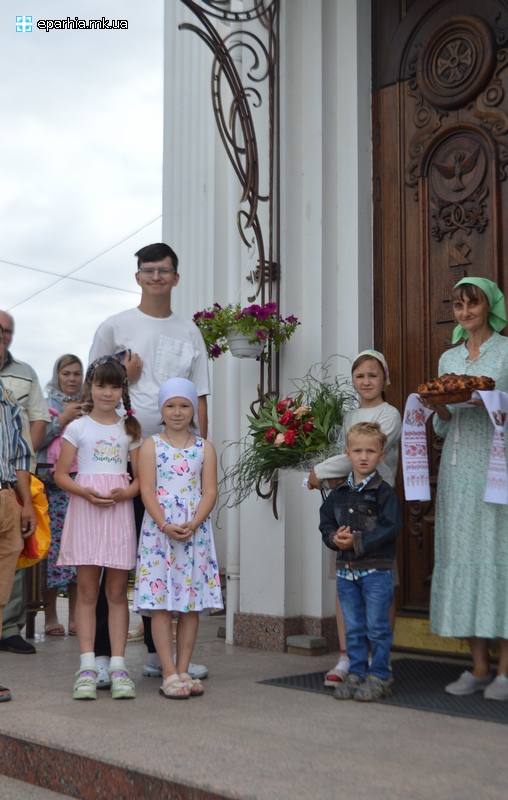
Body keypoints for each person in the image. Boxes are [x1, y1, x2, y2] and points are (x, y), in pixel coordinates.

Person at [88, 243, 211, 685]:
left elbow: (198, 397)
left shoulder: (189, 331)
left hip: (176, 462)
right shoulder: (115, 326)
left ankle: (165, 657)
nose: (156, 276)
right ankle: (102, 655)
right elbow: (94, 390)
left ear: (176, 278)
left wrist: (200, 457)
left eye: (164, 270)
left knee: (171, 556)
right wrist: (128, 380)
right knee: (117, 558)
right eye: (148, 270)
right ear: (137, 276)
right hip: (121, 457)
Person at [423, 277, 508, 701]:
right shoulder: (448, 358)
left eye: (471, 304)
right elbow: (443, 424)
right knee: (463, 557)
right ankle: (477, 667)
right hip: (457, 471)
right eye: (457, 305)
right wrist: (439, 407)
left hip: (496, 469)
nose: (464, 312)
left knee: (497, 557)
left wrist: (490, 402)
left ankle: (505, 672)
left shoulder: (506, 353)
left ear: (487, 306)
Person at [308, 350, 401, 686]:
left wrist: (318, 471)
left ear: (384, 379)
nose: (366, 381)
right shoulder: (348, 415)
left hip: (374, 505)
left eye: (373, 375)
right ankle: (348, 655)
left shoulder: (389, 414)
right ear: (353, 380)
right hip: (347, 502)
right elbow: (344, 453)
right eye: (360, 375)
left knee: (380, 582)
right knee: (344, 578)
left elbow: (363, 453)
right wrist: (326, 473)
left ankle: (380, 658)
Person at [55, 356, 142, 700]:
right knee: (88, 593)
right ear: (90, 386)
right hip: (86, 512)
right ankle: (87, 667)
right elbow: (62, 475)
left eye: (115, 385)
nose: (108, 392)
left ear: (123, 389)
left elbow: (140, 481)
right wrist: (85, 492)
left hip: (118, 515)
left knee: (117, 593)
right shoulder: (77, 427)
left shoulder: (129, 428)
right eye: (101, 385)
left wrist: (127, 493)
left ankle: (119, 666)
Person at [133, 378, 222, 699]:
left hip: (194, 532)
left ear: (194, 410)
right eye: (170, 405)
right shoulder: (150, 445)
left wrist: (194, 522)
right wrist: (165, 523)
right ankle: (167, 672)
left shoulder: (204, 447)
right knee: (160, 605)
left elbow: (210, 490)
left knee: (190, 604)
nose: (178, 411)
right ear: (161, 409)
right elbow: (146, 490)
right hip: (160, 533)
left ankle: (183, 668)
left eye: (184, 405)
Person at [319, 422, 402, 702]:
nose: (363, 456)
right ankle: (356, 673)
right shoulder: (338, 493)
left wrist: (358, 541)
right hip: (346, 572)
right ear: (348, 454)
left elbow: (391, 527)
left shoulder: (384, 492)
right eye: (357, 451)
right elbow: (326, 524)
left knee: (377, 626)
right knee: (353, 627)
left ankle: (379, 675)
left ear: (381, 454)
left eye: (370, 451)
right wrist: (334, 538)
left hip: (377, 571)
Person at [0, 310, 50, 656]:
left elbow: (29, 429)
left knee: (11, 556)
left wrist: (25, 494)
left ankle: (8, 628)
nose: (2, 335)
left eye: (6, 330)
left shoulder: (21, 379)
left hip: (9, 484)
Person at [0, 321, 37, 702]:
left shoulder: (9, 398)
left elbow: (23, 454)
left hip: (6, 497)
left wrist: (25, 502)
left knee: (2, 589)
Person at [38, 355, 84, 636]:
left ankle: (78, 618)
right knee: (52, 551)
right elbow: (35, 440)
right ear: (57, 375)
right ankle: (51, 615)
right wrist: (62, 420)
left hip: (80, 485)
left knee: (79, 550)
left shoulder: (88, 406)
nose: (71, 379)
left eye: (77, 374)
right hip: (50, 485)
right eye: (66, 373)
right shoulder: (44, 405)